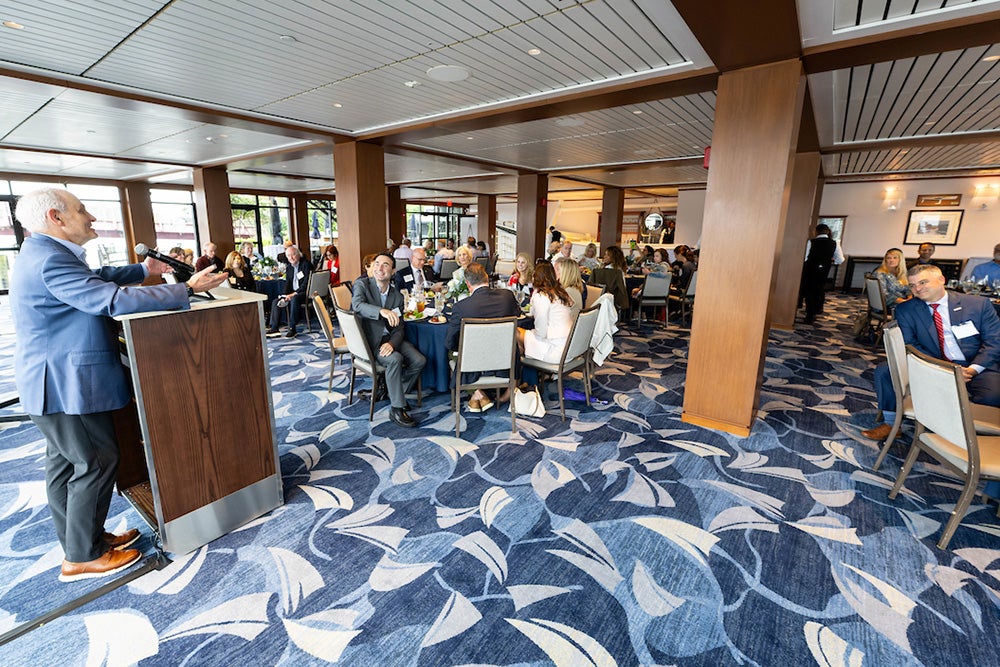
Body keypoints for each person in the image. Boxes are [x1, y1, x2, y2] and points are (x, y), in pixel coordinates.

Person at [10, 188, 227, 582]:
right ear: (56, 218)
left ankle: (84, 541)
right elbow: (109, 299)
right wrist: (187, 289)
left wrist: (145, 271)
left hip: (51, 382)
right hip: (64, 384)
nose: (91, 217)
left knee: (66, 467)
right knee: (94, 461)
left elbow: (96, 277)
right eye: (82, 210)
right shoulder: (48, 260)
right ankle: (81, 557)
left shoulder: (43, 253)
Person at [862, 263, 1000, 440]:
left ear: (941, 280)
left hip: (976, 364)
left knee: (992, 397)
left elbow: (994, 341)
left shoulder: (977, 305)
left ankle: (966, 432)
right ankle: (891, 424)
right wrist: (944, 369)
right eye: (912, 285)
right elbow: (910, 344)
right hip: (933, 363)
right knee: (885, 371)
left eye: (923, 282)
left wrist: (973, 369)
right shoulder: (906, 309)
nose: (917, 289)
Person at [351, 253, 426, 428]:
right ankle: (397, 408)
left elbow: (399, 328)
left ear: (392, 271)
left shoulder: (397, 296)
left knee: (419, 360)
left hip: (389, 339)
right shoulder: (363, 285)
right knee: (395, 359)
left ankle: (392, 392)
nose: (379, 268)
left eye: (385, 265)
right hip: (369, 341)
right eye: (377, 264)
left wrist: (392, 343)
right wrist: (381, 311)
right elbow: (358, 306)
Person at [445, 263, 521, 412]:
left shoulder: (461, 307)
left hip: (473, 363)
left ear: (467, 284)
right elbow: (517, 314)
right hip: (505, 359)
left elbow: (449, 342)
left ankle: (477, 392)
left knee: (451, 352)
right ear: (487, 277)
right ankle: (480, 394)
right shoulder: (507, 296)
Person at [522, 262, 575, 364]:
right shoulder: (560, 292)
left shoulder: (542, 296)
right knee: (526, 338)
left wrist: (536, 292)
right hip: (570, 347)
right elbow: (533, 311)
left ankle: (525, 377)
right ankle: (533, 376)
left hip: (556, 350)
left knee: (516, 332)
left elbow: (541, 332)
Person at [800, 223, 844, 324]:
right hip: (824, 269)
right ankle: (817, 309)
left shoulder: (812, 242)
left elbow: (805, 257)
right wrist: (831, 260)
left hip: (810, 269)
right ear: (827, 231)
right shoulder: (834, 243)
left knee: (810, 290)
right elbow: (840, 260)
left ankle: (810, 314)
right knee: (819, 288)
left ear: (816, 231)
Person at [266, 244, 313, 338]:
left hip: (305, 293)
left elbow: (306, 284)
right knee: (276, 301)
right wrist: (284, 295)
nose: (291, 258)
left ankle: (292, 328)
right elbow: (287, 283)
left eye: (293, 255)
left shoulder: (306, 264)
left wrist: (292, 295)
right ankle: (274, 328)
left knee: (295, 299)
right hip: (293, 293)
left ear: (298, 254)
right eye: (288, 256)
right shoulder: (289, 267)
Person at [872, 248, 911, 313]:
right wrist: (902, 301)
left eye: (895, 258)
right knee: (916, 310)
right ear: (885, 260)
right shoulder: (879, 273)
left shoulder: (901, 273)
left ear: (900, 260)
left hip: (903, 301)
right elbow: (883, 294)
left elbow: (908, 288)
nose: (891, 260)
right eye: (889, 258)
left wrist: (910, 297)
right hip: (887, 305)